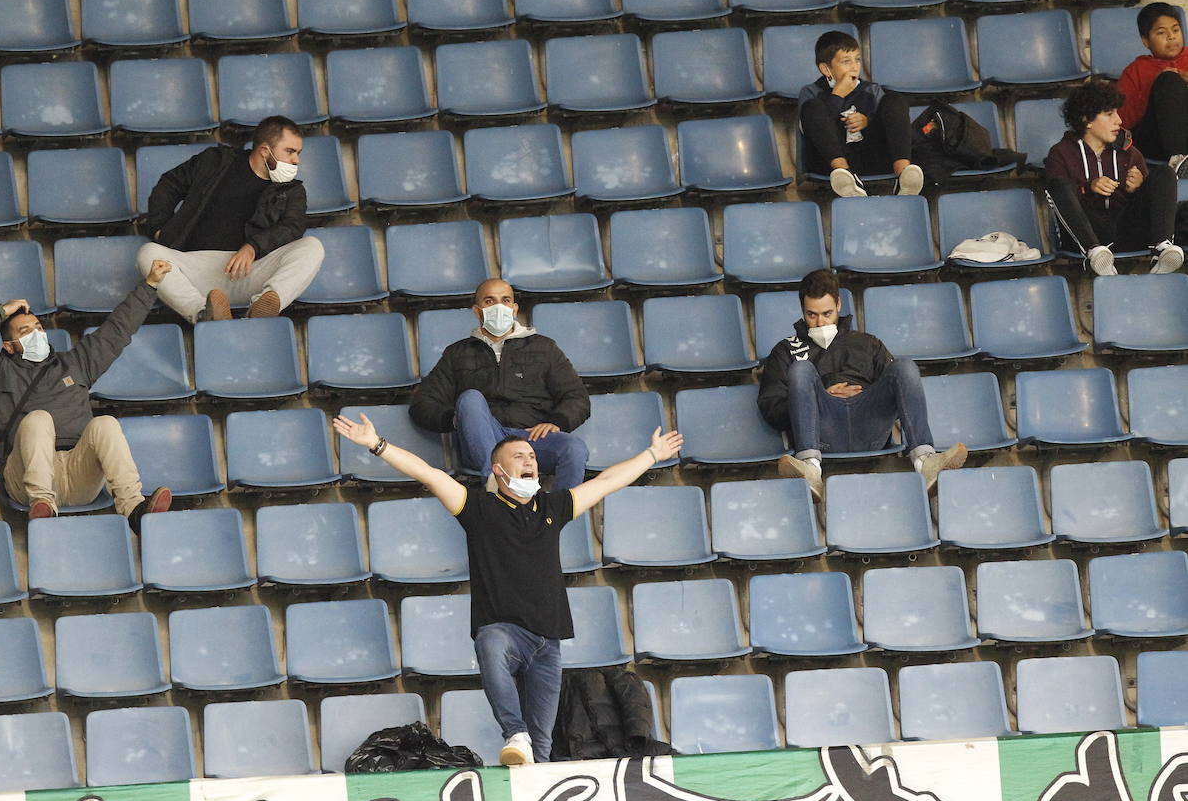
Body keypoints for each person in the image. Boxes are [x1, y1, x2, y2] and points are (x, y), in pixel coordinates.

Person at [332, 411, 683, 765]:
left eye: (532, 456)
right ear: (499, 471)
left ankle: (537, 789)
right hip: (504, 630)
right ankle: (514, 733)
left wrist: (651, 455)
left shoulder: (552, 506)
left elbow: (607, 481)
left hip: (548, 640)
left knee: (542, 748)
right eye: (519, 456)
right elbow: (428, 473)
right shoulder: (478, 508)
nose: (529, 461)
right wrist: (377, 444)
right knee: (490, 645)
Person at [0, 260, 175, 532]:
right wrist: (3, 310)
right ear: (9, 347)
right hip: (26, 479)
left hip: (78, 472)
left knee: (105, 423)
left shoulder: (76, 364)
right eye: (25, 331)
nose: (36, 334)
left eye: (38, 328)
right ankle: (42, 510)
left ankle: (135, 510)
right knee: (38, 419)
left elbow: (117, 330)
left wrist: (150, 284)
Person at [757, 269, 967, 501]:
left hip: (869, 429)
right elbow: (771, 409)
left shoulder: (868, 344)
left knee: (904, 367)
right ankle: (810, 468)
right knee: (801, 370)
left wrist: (864, 397)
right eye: (812, 315)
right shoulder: (785, 350)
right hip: (823, 431)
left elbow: (899, 396)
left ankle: (925, 461)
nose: (820, 321)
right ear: (802, 311)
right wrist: (815, 399)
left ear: (838, 304)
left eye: (826, 313)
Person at [136, 115, 324, 324]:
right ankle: (203, 313)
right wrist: (159, 228)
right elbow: (169, 184)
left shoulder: (292, 190)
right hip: (197, 270)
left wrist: (253, 247)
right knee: (148, 253)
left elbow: (293, 227)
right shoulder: (216, 161)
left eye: (298, 153)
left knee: (312, 246)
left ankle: (261, 308)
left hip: (250, 273)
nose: (296, 160)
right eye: (289, 151)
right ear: (264, 150)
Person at [409, 278, 590, 491]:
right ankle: (496, 486)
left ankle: (558, 515)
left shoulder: (544, 348)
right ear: (477, 311)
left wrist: (557, 421)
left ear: (514, 308)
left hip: (530, 439)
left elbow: (577, 397)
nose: (498, 307)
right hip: (483, 441)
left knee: (574, 448)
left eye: (505, 300)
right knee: (470, 398)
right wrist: (457, 419)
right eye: (489, 301)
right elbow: (422, 404)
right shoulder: (457, 354)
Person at [1044, 80, 1185, 276]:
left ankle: (1161, 248)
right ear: (1087, 120)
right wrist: (1088, 187)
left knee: (1164, 173)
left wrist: (1137, 186)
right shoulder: (1061, 153)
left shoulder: (1130, 152)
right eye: (1110, 114)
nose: (1119, 120)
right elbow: (1057, 196)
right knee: (1058, 184)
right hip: (1086, 233)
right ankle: (1094, 253)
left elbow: (1148, 198)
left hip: (1125, 230)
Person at [798, 30, 925, 199]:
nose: (855, 66)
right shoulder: (811, 92)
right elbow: (814, 129)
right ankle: (847, 177)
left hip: (868, 157)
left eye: (857, 60)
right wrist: (837, 96)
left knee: (894, 99)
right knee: (812, 108)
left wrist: (868, 122)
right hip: (832, 165)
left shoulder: (871, 90)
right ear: (826, 69)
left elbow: (887, 126)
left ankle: (903, 175)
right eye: (846, 61)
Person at [1116, 2, 1188, 167]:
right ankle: (1180, 161)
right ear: (1146, 41)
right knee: (1168, 81)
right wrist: (1154, 88)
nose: (1171, 36)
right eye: (1161, 32)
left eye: (1176, 30)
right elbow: (1121, 120)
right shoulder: (1135, 70)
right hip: (1155, 142)